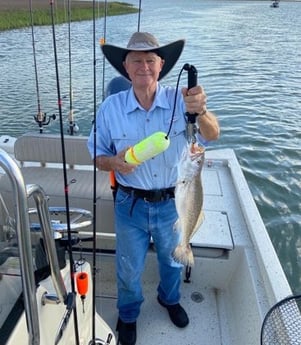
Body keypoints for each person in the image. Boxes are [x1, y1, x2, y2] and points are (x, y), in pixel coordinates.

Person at [87, 32, 219, 345]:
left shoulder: (182, 100)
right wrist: (115, 163)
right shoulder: (110, 108)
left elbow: (212, 135)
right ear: (126, 67)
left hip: (173, 203)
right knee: (128, 268)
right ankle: (129, 314)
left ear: (161, 65)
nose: (144, 66)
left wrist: (201, 111)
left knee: (172, 261)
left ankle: (170, 300)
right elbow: (96, 156)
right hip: (129, 204)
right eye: (137, 60)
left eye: (150, 60)